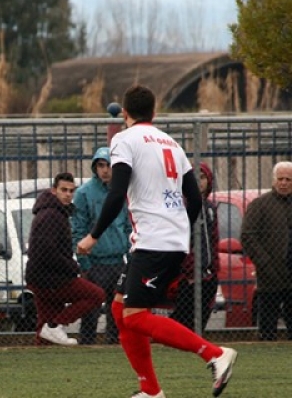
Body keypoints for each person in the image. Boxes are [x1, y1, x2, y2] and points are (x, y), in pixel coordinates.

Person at [77, 85, 237, 398]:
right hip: (166, 239)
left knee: (135, 316)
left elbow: (116, 192)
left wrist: (93, 236)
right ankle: (150, 390)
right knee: (120, 310)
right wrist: (178, 229)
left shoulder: (124, 139)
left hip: (154, 241)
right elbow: (194, 198)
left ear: (124, 113)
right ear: (154, 113)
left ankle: (215, 354)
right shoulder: (172, 143)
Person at [26, 172, 105, 346]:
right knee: (96, 295)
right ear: (54, 190)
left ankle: (46, 337)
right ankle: (55, 325)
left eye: (71, 191)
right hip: (51, 279)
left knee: (46, 327)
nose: (68, 194)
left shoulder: (52, 212)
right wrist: (73, 267)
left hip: (42, 277)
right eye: (64, 190)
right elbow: (47, 251)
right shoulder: (51, 215)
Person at [72, 147, 131, 345]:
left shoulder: (121, 192)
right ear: (95, 167)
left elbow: (128, 225)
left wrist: (130, 256)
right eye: (101, 165)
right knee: (91, 309)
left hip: (118, 260)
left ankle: (114, 342)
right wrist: (85, 263)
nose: (105, 170)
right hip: (95, 261)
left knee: (117, 307)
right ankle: (87, 342)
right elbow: (78, 230)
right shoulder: (84, 193)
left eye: (109, 166)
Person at [241, 161, 292, 341]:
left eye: (288, 179)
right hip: (269, 275)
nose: (284, 183)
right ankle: (266, 343)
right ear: (274, 180)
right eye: (280, 179)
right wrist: (264, 263)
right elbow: (248, 236)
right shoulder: (260, 205)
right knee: (268, 323)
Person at [170, 162, 220, 331]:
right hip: (186, 276)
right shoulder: (182, 206)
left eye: (202, 177)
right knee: (183, 318)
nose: (199, 182)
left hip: (208, 274)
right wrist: (189, 270)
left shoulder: (210, 208)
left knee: (203, 315)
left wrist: (214, 268)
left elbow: (214, 240)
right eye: (194, 178)